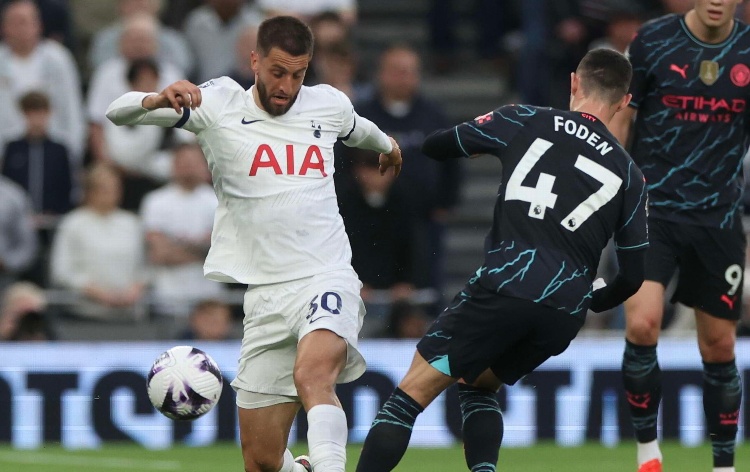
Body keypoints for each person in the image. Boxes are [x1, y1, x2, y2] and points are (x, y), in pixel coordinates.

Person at [105, 15, 402, 472]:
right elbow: (117, 112)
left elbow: (358, 129)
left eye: (298, 74)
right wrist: (155, 98)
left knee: (313, 375)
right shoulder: (217, 102)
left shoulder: (326, 104)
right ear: (255, 61)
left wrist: (388, 145)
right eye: (277, 72)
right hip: (263, 295)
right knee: (262, 461)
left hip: (326, 274)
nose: (287, 86)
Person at [355, 48, 648, 472]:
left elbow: (441, 144)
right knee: (478, 387)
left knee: (409, 396)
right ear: (623, 102)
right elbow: (633, 274)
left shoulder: (524, 119)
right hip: (563, 312)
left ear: (573, 83)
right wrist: (592, 299)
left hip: (508, 284)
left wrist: (410, 147)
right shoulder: (630, 175)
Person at [609, 2, 749, 472]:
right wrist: (611, 186)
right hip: (653, 212)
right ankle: (649, 455)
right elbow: (623, 117)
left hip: (719, 219)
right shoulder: (652, 42)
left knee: (720, 347)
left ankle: (724, 465)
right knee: (642, 324)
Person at [49, 164, 146, 320]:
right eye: (104, 188)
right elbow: (61, 271)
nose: (111, 193)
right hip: (84, 314)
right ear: (89, 191)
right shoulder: (72, 223)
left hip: (128, 313)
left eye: (115, 187)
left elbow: (144, 267)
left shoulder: (132, 223)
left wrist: (135, 290)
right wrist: (99, 294)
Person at [140, 142, 223, 319]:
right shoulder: (155, 201)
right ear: (173, 165)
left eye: (193, 162)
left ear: (204, 164)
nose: (189, 168)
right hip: (167, 295)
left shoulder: (218, 201)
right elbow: (159, 253)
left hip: (207, 296)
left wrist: (176, 245)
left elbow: (223, 251)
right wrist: (200, 249)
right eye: (183, 162)